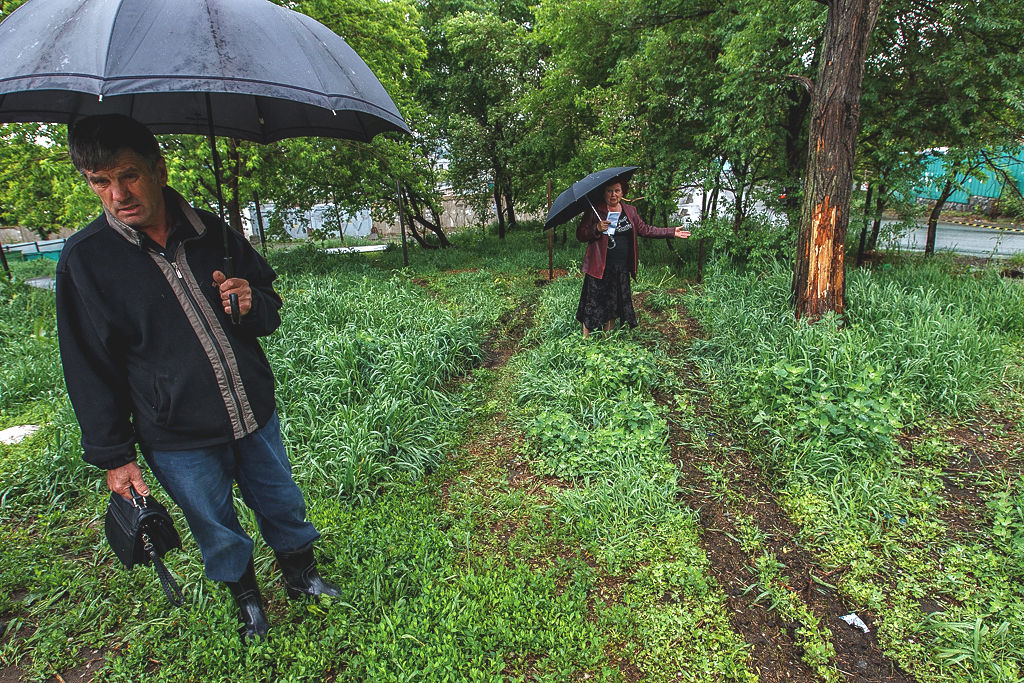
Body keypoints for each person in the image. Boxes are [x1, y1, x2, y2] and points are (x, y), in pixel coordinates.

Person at [56, 115, 338, 643]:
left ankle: (302, 576)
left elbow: (268, 306)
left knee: (282, 500)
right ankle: (247, 601)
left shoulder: (212, 232)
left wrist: (251, 302)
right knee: (213, 522)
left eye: (129, 175)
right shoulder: (85, 261)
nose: (117, 195)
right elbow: (87, 367)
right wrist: (115, 456)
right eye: (100, 181)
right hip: (176, 434)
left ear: (158, 170)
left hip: (252, 411)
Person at [576, 179, 691, 336]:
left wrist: (671, 232)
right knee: (593, 301)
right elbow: (581, 234)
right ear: (604, 193)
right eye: (609, 191)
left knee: (613, 302)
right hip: (599, 267)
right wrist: (596, 228)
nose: (613, 194)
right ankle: (586, 339)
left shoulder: (630, 211)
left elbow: (646, 229)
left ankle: (606, 338)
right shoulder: (595, 210)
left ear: (622, 192)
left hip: (620, 267)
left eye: (617, 190)